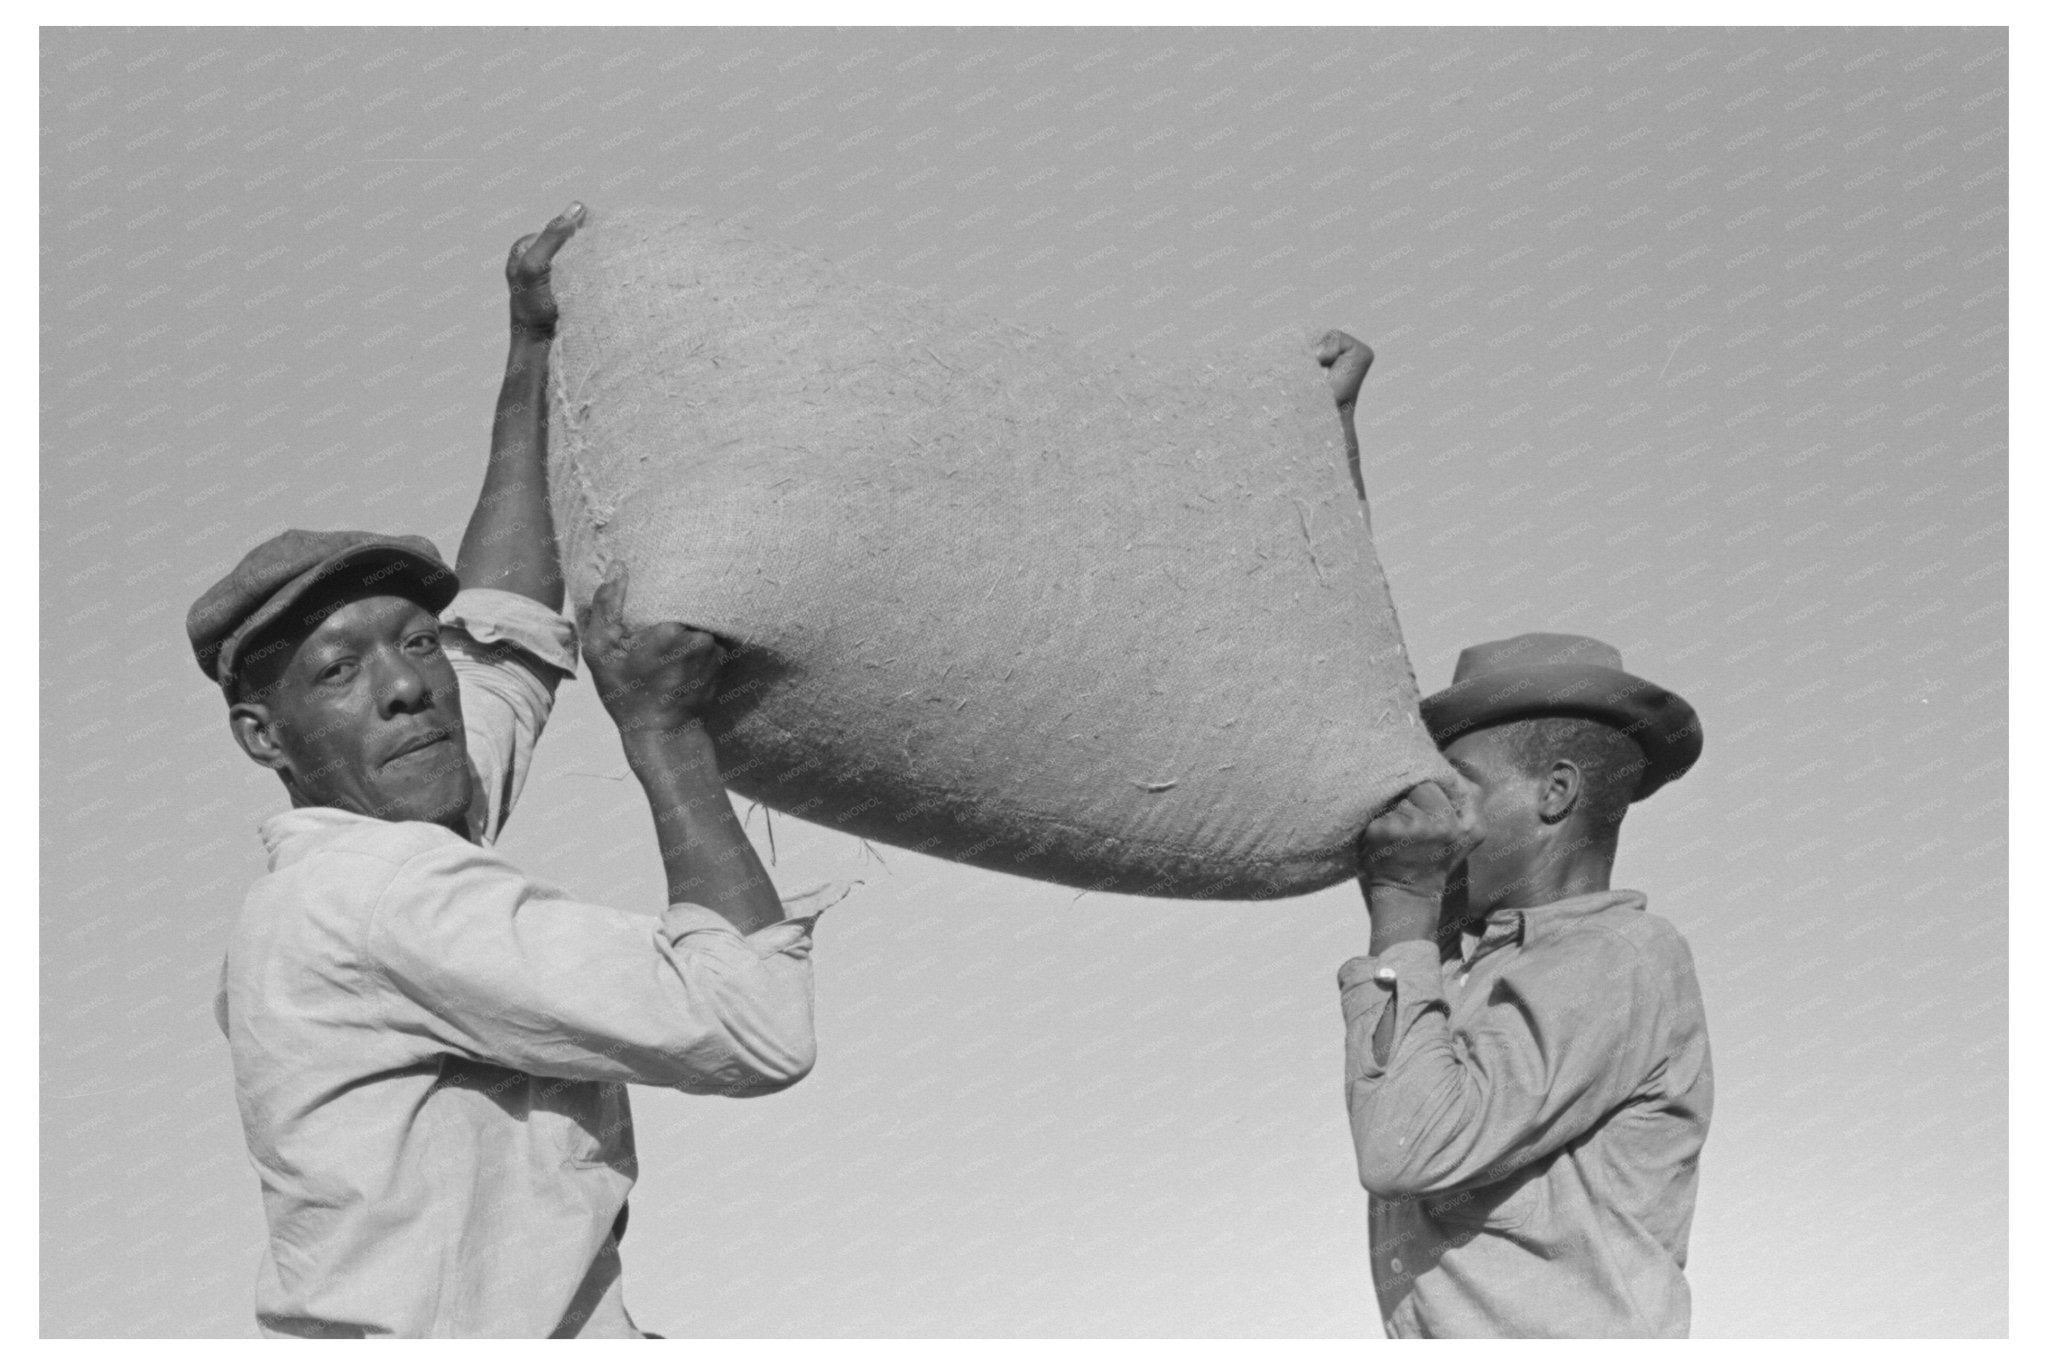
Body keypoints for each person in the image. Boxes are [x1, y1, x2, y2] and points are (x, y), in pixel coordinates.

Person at [190, 204, 831, 1337]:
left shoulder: (385, 829)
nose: (407, 685)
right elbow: (753, 1024)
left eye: (414, 641)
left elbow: (505, 628)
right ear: (263, 736)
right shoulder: (382, 897)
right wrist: (664, 733)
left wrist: (528, 350)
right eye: (339, 669)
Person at [1338, 632, 1713, 1338]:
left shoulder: (1614, 957)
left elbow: (1404, 1144)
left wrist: (1401, 904)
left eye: (1461, 785)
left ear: (1556, 791)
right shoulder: (1484, 968)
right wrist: (1426, 928)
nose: (1443, 818)